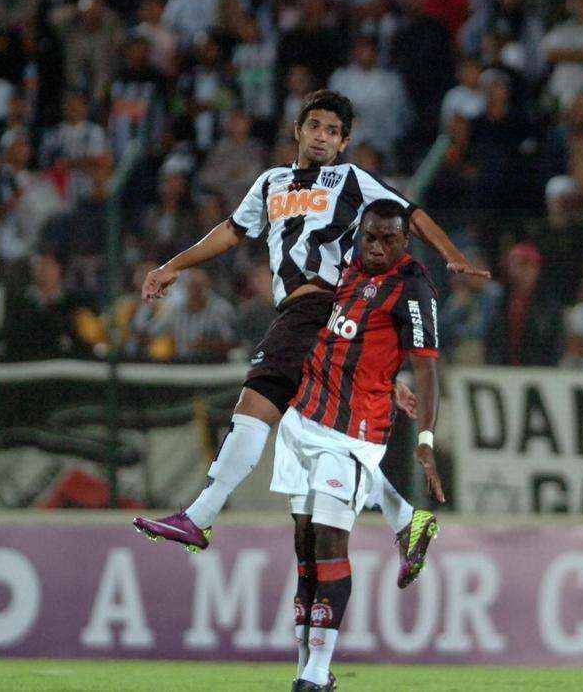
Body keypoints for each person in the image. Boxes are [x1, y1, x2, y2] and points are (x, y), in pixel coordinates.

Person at [132, 90, 486, 573]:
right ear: (298, 129)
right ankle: (406, 518)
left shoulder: (351, 178)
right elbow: (232, 230)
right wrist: (173, 265)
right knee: (318, 438)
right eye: (315, 126)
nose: (322, 137)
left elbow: (411, 213)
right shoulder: (271, 183)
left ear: (343, 144)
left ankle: (201, 516)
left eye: (333, 132)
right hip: (318, 322)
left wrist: (450, 253)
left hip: (318, 305)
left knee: (255, 406)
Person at [270, 199, 445, 692]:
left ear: (404, 241)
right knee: (305, 550)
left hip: (355, 429)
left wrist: (426, 441)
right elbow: (344, 339)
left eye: (388, 238)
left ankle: (318, 671)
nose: (376, 246)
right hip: (305, 415)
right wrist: (388, 379)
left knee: (329, 540)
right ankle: (306, 669)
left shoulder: (412, 287)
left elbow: (428, 367)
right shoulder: (344, 267)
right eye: (369, 236)